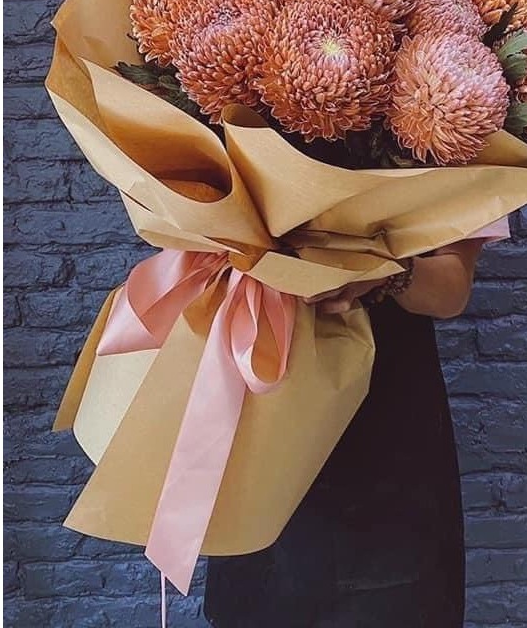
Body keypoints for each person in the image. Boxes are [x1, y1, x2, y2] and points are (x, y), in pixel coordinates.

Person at [203, 223, 505, 628]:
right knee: (256, 592)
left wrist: (382, 272)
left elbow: (452, 289)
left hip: (384, 425)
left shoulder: (455, 177)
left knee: (390, 599)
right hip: (261, 400)